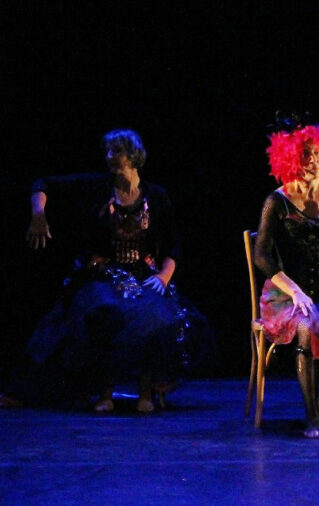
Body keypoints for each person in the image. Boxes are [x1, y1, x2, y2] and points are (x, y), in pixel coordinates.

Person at [20, 129, 210, 412]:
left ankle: (146, 391)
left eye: (116, 151)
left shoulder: (156, 196)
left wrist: (164, 276)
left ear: (133, 156)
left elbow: (173, 245)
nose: (109, 156)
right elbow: (43, 183)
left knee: (154, 314)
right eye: (108, 151)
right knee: (105, 310)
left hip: (145, 274)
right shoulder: (98, 187)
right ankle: (105, 392)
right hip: (103, 272)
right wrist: (38, 215)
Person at [255, 118, 319, 438]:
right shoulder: (277, 201)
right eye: (305, 155)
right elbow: (262, 255)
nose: (313, 161)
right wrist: (295, 291)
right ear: (289, 160)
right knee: (306, 327)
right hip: (286, 292)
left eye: (317, 153)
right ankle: (312, 416)